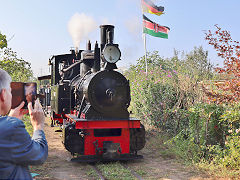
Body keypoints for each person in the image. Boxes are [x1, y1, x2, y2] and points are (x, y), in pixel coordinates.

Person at [0, 69, 48, 180]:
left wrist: (9, 120)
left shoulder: (8, 126)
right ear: (3, 94)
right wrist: (38, 126)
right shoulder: (11, 127)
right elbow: (39, 154)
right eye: (9, 91)